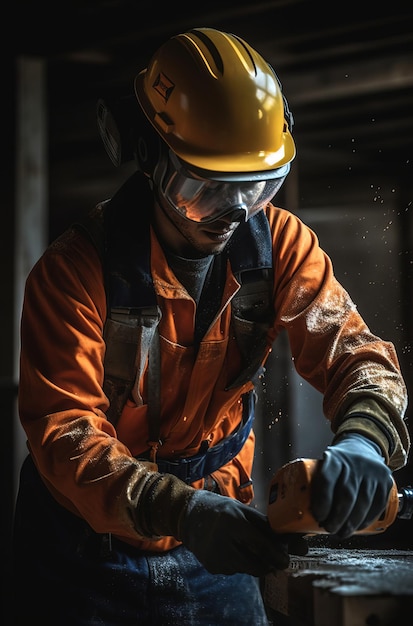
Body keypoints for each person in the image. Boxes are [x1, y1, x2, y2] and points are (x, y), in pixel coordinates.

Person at [12, 27, 410, 626]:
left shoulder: (280, 247)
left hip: (219, 552)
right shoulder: (72, 274)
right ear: (148, 157)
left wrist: (363, 439)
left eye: (255, 187)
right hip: (80, 555)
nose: (232, 212)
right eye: (204, 189)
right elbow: (65, 436)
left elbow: (355, 355)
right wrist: (184, 513)